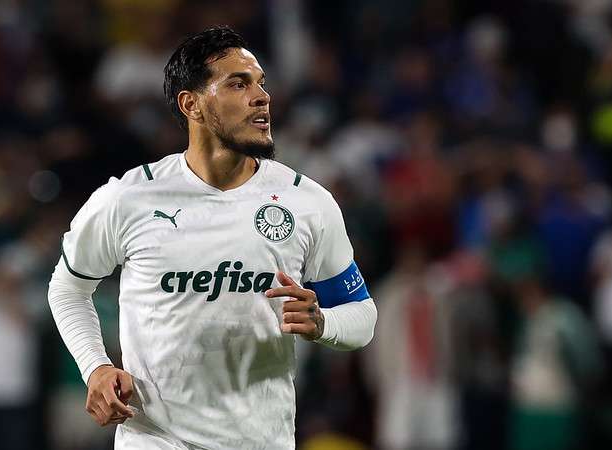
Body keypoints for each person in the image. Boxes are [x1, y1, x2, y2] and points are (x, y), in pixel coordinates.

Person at [47, 26, 377, 449]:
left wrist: (323, 322)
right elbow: (68, 288)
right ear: (192, 104)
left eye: (261, 83)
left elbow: (362, 316)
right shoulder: (127, 199)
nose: (262, 97)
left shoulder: (307, 203)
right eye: (238, 84)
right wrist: (95, 367)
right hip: (155, 440)